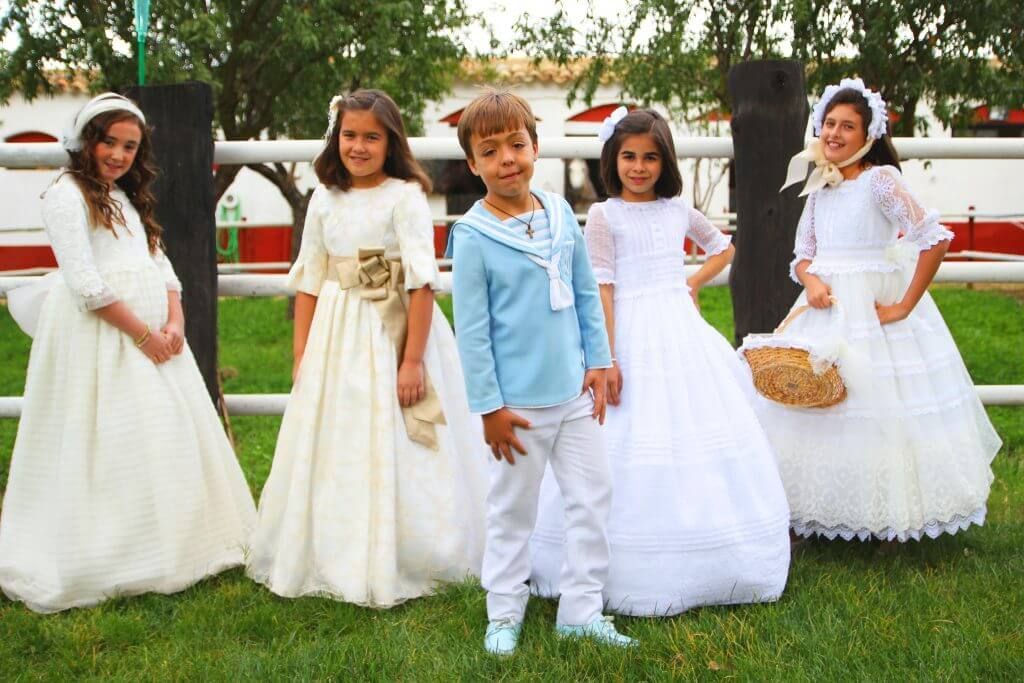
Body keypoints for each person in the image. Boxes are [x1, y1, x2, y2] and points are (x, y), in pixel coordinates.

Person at [0, 93, 256, 613]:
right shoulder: (66, 195)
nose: (117, 155)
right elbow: (86, 284)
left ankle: (179, 544)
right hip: (106, 338)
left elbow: (160, 267)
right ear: (85, 141)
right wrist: (142, 334)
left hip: (158, 336)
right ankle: (112, 551)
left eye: (129, 147)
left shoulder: (127, 199)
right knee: (106, 433)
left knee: (163, 431)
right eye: (108, 142)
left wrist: (175, 321)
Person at [529, 107, 790, 617]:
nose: (639, 167)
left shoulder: (676, 209)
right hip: (628, 326)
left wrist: (691, 281)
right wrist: (606, 355)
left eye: (650, 157)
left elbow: (724, 246)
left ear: (664, 160)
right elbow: (601, 285)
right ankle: (609, 564)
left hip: (679, 326)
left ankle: (710, 556)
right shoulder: (605, 215)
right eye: (629, 156)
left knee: (694, 426)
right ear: (613, 159)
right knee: (622, 435)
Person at [246, 90, 487, 606]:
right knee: (340, 437)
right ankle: (335, 549)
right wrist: (301, 355)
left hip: (393, 330)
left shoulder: (405, 195)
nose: (359, 146)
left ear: (390, 142)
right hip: (338, 334)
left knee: (402, 434)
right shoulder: (323, 198)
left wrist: (413, 359)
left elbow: (422, 282)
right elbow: (310, 280)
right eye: (350, 135)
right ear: (337, 139)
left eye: (371, 137)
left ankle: (415, 550)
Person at [750, 77, 1001, 543]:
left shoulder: (879, 182)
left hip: (870, 304)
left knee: (874, 406)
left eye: (848, 126)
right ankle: (813, 509)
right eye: (829, 124)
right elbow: (802, 254)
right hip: (824, 304)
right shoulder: (821, 185)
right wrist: (812, 280)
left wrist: (905, 304)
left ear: (868, 135)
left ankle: (885, 514)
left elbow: (934, 237)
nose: (834, 134)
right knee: (811, 398)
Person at [447, 87, 634, 655]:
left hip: (574, 395)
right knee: (512, 511)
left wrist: (599, 363)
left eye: (517, 144)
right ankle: (503, 612)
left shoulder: (559, 214)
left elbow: (583, 292)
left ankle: (581, 608)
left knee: (592, 498)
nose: (507, 159)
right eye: (490, 150)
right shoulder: (474, 237)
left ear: (535, 146)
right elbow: (473, 333)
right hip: (517, 408)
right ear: (473, 163)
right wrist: (489, 409)